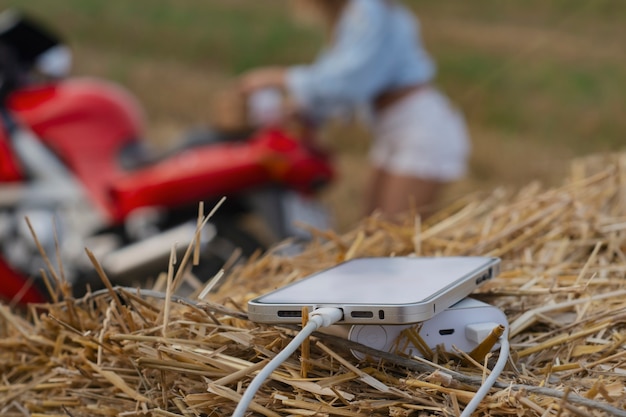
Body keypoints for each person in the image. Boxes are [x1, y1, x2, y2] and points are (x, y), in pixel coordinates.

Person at [239, 0, 470, 221]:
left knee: (393, 239)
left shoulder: (368, 8)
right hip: (395, 129)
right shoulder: (354, 15)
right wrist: (302, 109)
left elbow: (350, 83)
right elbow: (333, 79)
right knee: (372, 230)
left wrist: (279, 78)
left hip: (420, 129)